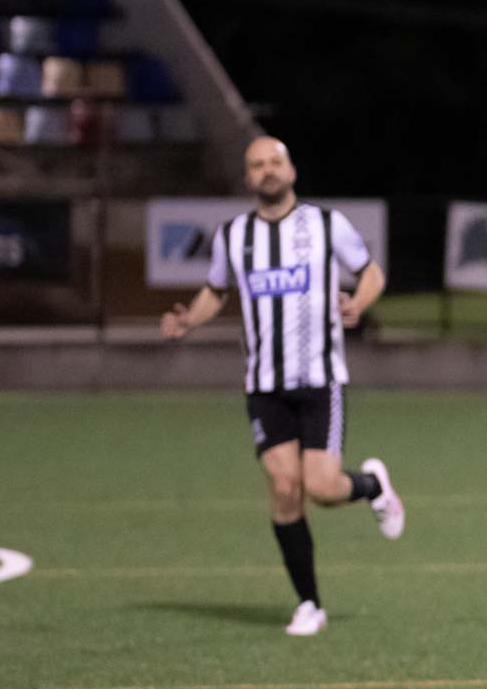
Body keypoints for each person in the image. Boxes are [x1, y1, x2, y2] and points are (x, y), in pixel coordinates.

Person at [161, 135, 404, 636]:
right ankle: (309, 603)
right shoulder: (233, 235)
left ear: (291, 170)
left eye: (275, 162)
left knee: (323, 489)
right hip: (264, 386)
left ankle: (373, 486)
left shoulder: (326, 225)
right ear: (247, 177)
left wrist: (359, 303)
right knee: (285, 488)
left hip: (320, 381)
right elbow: (215, 290)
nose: (267, 170)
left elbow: (371, 273)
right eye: (257, 165)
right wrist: (188, 320)